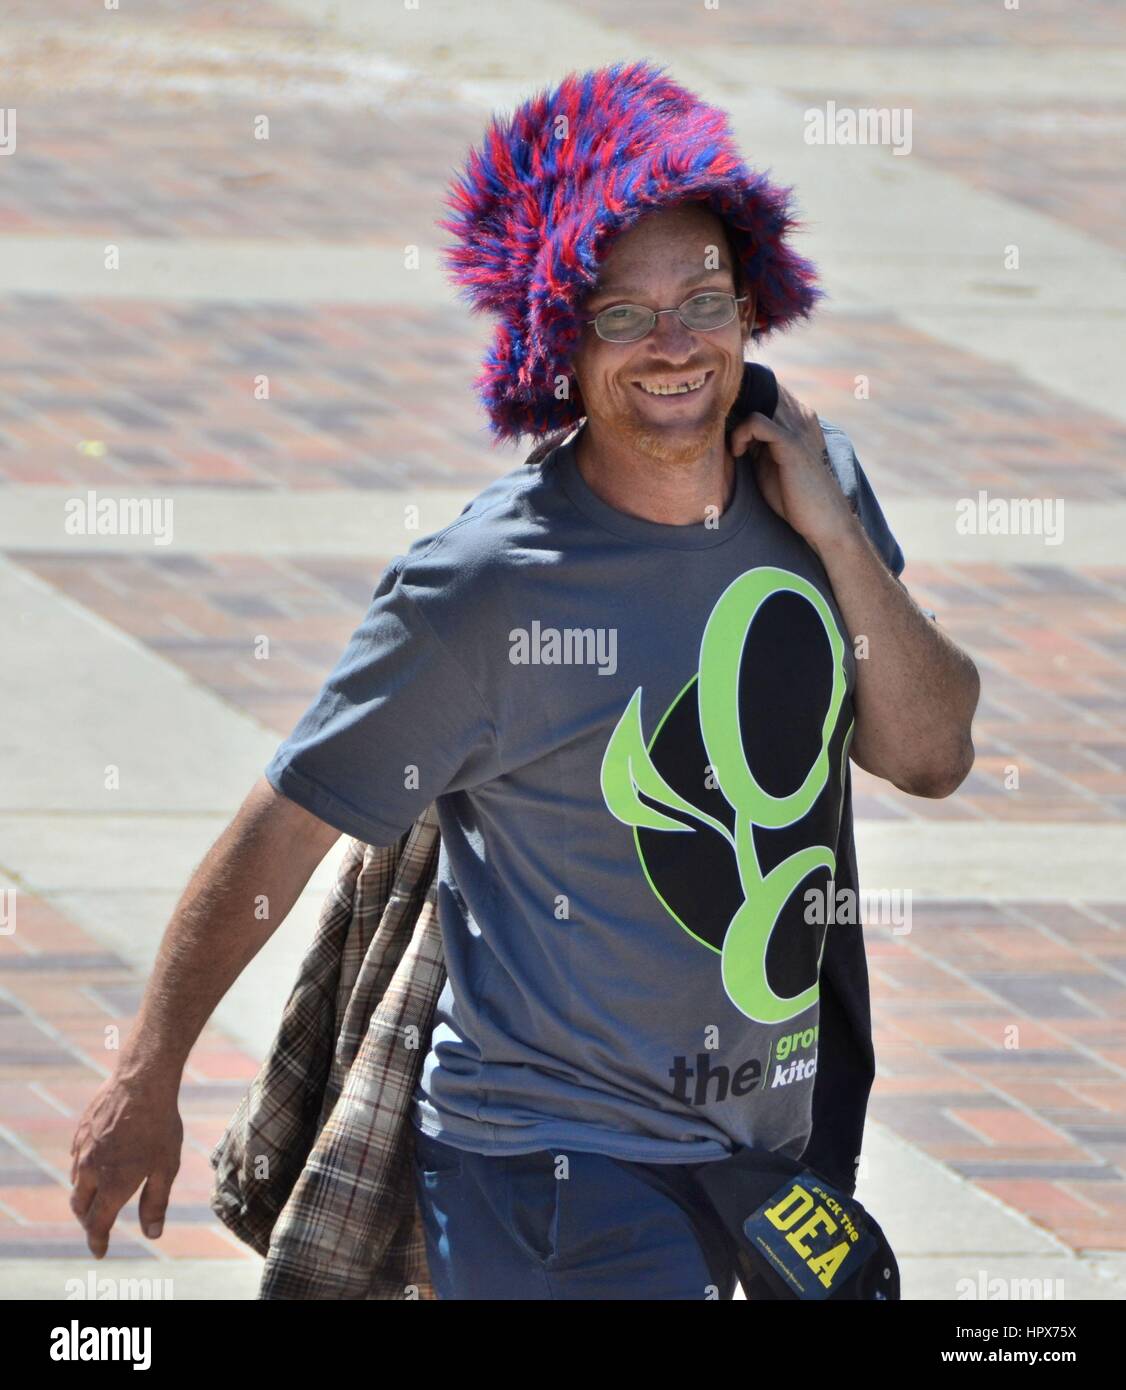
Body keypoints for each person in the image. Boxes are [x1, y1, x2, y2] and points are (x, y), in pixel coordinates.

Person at [69, 61, 979, 1300]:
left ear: (749, 304)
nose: (673, 345)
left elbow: (932, 755)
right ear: (563, 338)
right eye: (621, 314)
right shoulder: (486, 585)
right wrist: (148, 1074)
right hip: (553, 1167)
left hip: (764, 1154)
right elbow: (284, 823)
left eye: (702, 300)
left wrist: (838, 541)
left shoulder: (813, 486)